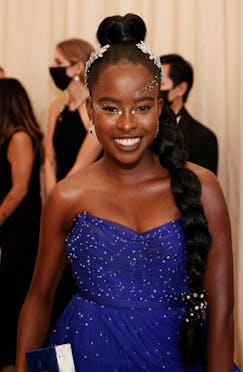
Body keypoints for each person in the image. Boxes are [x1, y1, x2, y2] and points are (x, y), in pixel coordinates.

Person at [16, 14, 239, 371]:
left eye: (142, 106)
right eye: (109, 107)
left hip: (176, 356)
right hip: (87, 351)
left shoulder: (201, 187)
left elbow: (223, 311)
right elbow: (39, 299)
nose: (126, 123)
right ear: (90, 110)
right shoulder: (67, 196)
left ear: (159, 108)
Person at [44, 38, 103, 331]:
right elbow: (49, 158)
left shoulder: (94, 108)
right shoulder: (56, 106)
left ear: (78, 66)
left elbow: (83, 164)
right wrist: (51, 200)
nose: (52, 69)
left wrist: (63, 199)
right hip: (58, 199)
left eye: (58, 63)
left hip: (87, 206)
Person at [0, 78, 43, 370]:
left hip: (19, 231)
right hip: (11, 229)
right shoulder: (9, 136)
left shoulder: (20, 138)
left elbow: (20, 189)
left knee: (14, 295)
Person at [160, 54, 218, 175]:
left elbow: (203, 189)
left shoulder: (203, 138)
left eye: (160, 84)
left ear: (181, 89)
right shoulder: (142, 128)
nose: (153, 90)